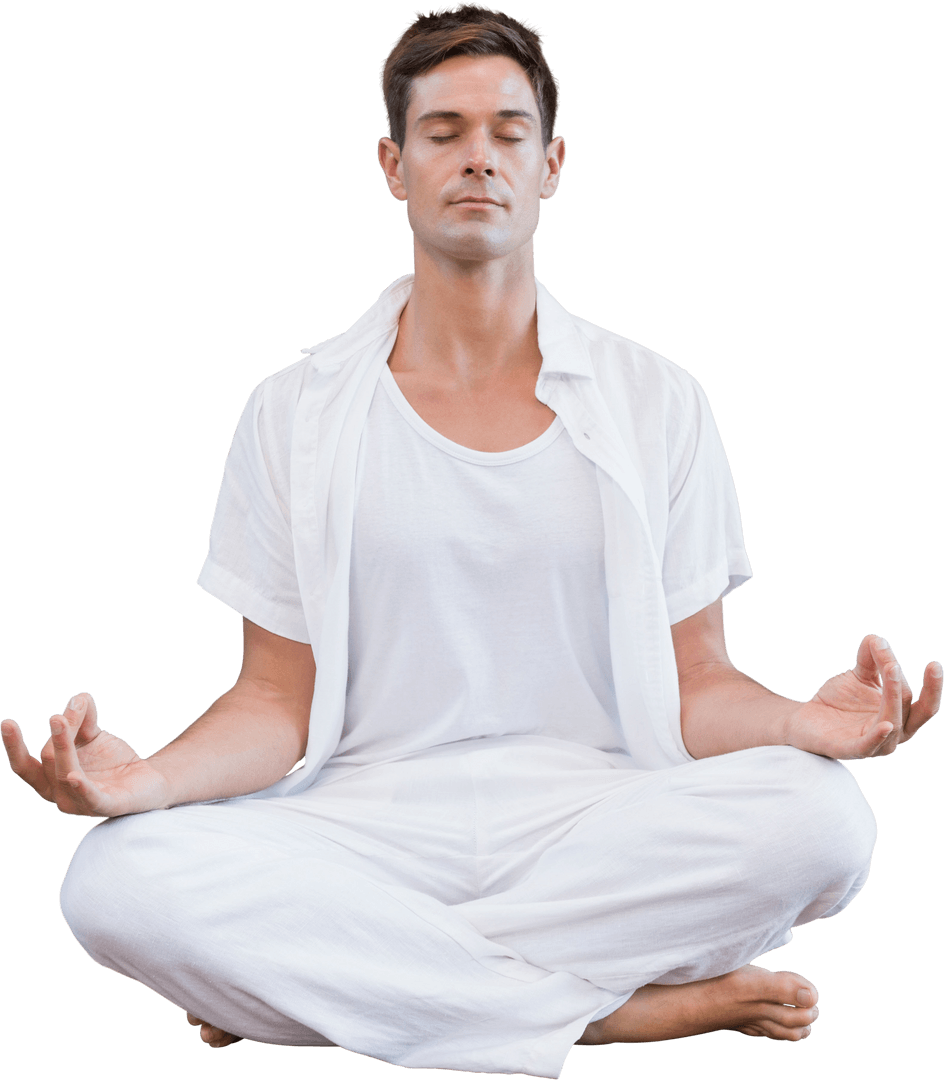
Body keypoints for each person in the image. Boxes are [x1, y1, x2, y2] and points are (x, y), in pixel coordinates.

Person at [2, 4, 939, 1077]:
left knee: (823, 819)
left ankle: (330, 992)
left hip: (597, 817)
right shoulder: (292, 410)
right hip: (364, 820)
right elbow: (274, 700)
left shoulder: (657, 399)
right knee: (112, 881)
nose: (477, 158)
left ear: (550, 166)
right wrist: (147, 784)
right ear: (394, 166)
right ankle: (605, 1013)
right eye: (443, 132)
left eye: (507, 132)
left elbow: (695, 679)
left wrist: (800, 725)